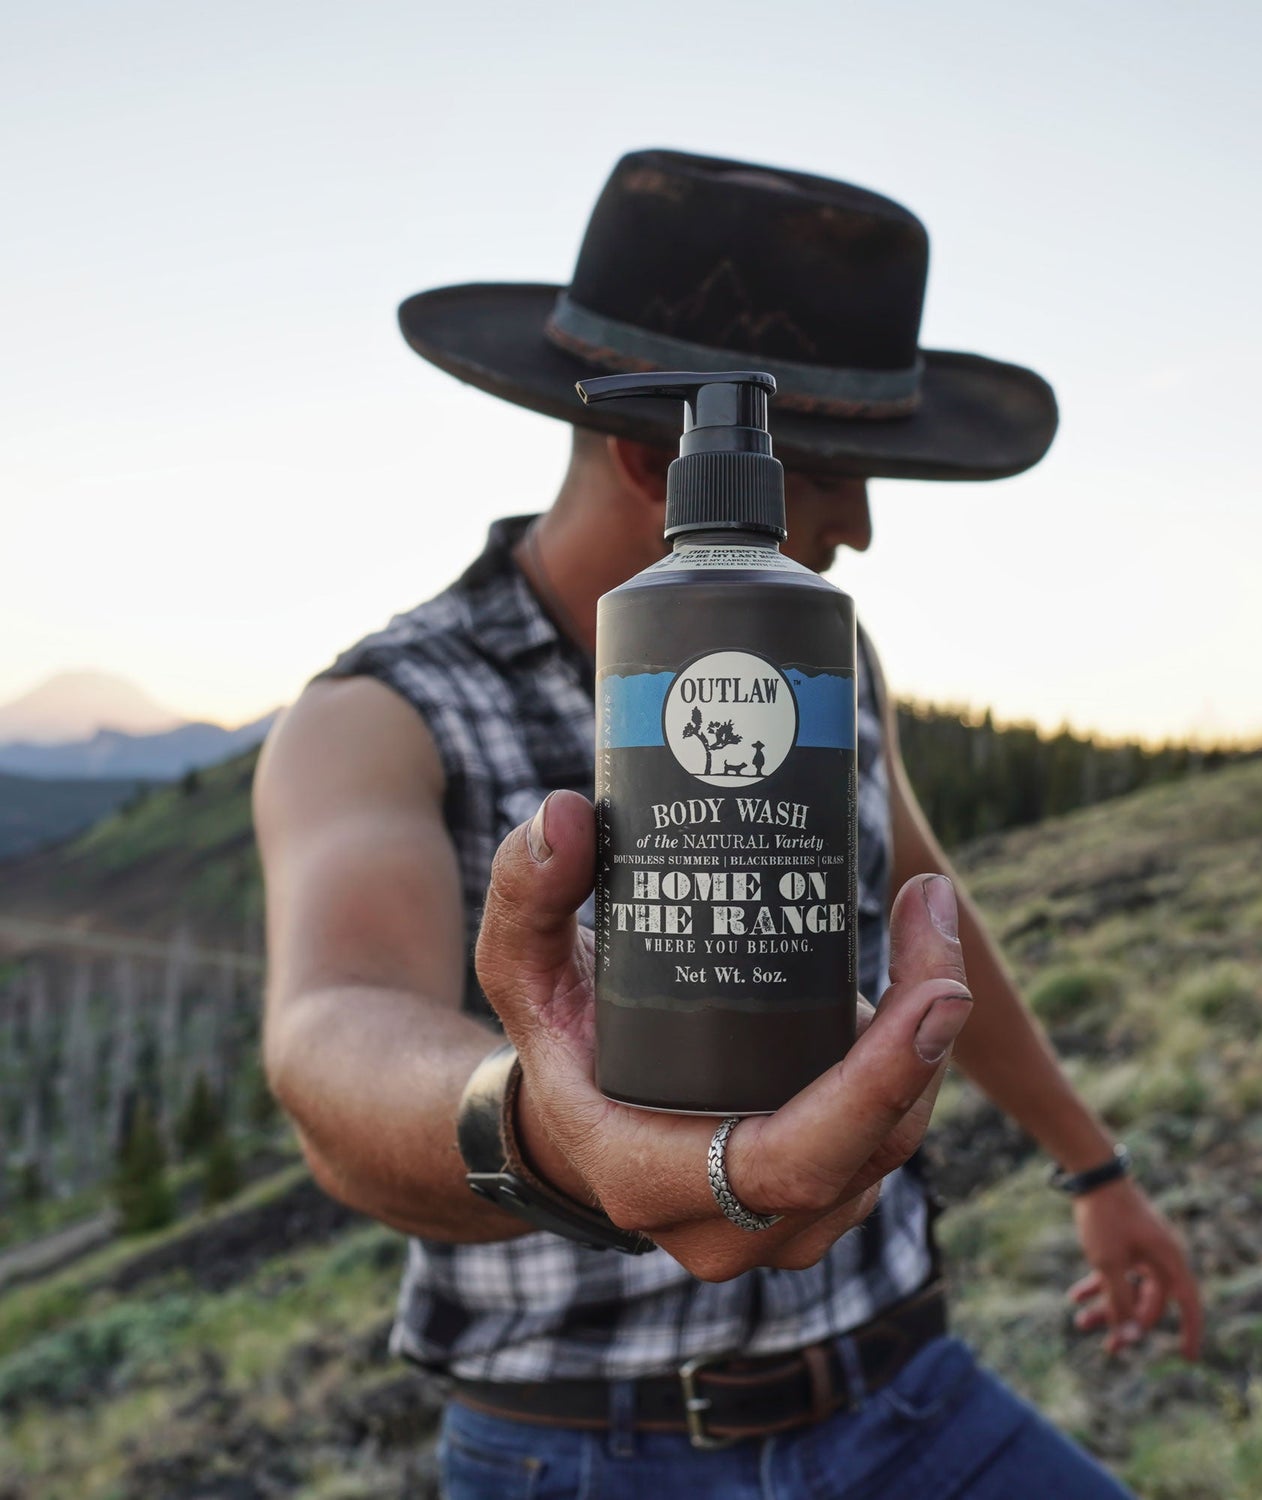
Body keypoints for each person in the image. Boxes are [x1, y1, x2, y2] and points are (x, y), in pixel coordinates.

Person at [254, 149, 1202, 1499]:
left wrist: (1095, 1170)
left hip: (905, 1385)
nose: (862, 530)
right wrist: (543, 1132)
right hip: (584, 1446)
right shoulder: (386, 708)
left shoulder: (829, 660)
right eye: (830, 476)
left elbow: (926, 914)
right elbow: (329, 1037)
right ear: (661, 455)